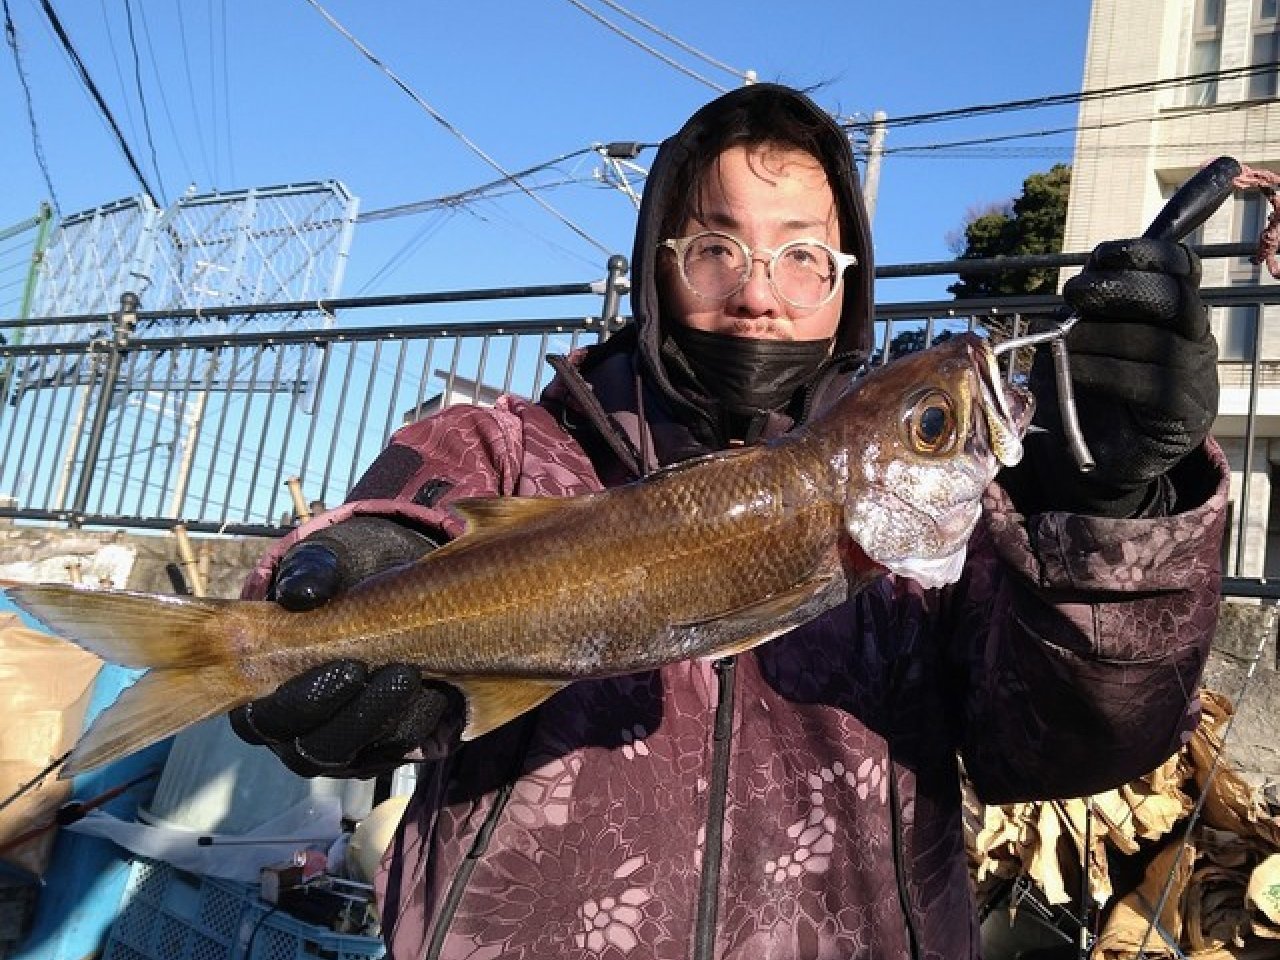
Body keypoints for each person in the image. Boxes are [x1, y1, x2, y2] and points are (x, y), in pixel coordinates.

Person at [231, 83, 1227, 959]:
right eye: (716, 248)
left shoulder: (955, 531)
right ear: (657, 267)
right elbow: (401, 518)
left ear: (845, 287)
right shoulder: (500, 446)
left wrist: (1113, 508)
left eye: (802, 255)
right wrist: (349, 585)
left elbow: (1062, 752)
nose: (757, 294)